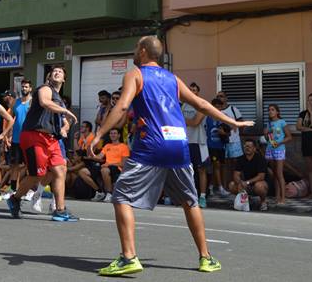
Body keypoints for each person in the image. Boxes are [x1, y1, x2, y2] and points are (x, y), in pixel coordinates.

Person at [91, 36, 251, 276]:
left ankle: (129, 257)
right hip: (178, 145)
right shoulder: (173, 79)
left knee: (121, 195)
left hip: (152, 145)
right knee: (190, 201)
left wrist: (99, 134)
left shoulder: (136, 74)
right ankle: (206, 258)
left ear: (143, 52)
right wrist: (232, 121)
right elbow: (201, 104)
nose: (135, 51)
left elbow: (123, 106)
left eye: (137, 47)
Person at [6, 65, 79, 222]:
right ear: (49, 76)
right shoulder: (45, 89)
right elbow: (45, 102)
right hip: (34, 135)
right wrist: (65, 112)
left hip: (51, 139)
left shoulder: (59, 100)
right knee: (36, 175)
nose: (57, 72)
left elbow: (63, 121)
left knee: (60, 170)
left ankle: (60, 210)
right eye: (54, 71)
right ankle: (15, 198)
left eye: (60, 71)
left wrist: (65, 126)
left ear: (64, 79)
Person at [182, 82, 209, 208]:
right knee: (187, 170)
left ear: (198, 92)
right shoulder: (184, 105)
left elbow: (195, 122)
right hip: (186, 141)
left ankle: (202, 196)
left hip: (199, 142)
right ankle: (190, 195)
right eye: (190, 89)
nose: (192, 91)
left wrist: (182, 120)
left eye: (194, 89)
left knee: (201, 169)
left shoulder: (201, 104)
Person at [6, 80, 33, 196]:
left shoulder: (33, 102)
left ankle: (29, 191)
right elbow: (10, 119)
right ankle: (13, 190)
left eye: (26, 87)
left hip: (29, 140)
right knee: (14, 167)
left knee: (30, 167)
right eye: (22, 87)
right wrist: (7, 135)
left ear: (30, 89)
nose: (24, 89)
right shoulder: (16, 102)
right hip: (16, 140)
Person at [297, 93, 312, 198]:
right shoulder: (302, 114)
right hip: (306, 142)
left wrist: (311, 112)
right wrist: (311, 129)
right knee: (311, 169)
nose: (309, 102)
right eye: (308, 100)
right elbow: (298, 126)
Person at [264, 104, 289, 205]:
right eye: (269, 110)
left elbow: (289, 137)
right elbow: (268, 139)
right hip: (270, 148)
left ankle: (283, 198)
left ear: (277, 112)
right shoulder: (269, 124)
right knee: (274, 174)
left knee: (279, 174)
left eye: (273, 110)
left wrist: (279, 142)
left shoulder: (282, 122)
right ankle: (277, 196)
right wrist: (266, 134)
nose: (270, 112)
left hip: (279, 149)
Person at [97, 128, 130, 203]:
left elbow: (123, 164)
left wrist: (109, 164)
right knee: (86, 171)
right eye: (111, 133)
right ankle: (100, 192)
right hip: (107, 167)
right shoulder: (107, 146)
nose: (112, 135)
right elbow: (98, 157)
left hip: (117, 168)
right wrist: (91, 149)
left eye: (115, 133)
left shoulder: (124, 146)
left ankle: (109, 193)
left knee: (104, 170)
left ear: (119, 135)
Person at [216, 90, 244, 173]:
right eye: (217, 96)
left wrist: (239, 135)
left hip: (234, 141)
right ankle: (225, 185)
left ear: (226, 98)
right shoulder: (216, 111)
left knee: (236, 164)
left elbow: (241, 122)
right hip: (221, 142)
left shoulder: (233, 109)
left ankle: (236, 184)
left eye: (221, 96)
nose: (219, 98)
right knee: (223, 164)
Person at [204, 98, 227, 196]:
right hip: (211, 146)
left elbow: (228, 132)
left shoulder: (223, 117)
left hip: (220, 146)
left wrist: (224, 133)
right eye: (215, 106)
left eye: (219, 106)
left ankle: (211, 187)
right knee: (215, 165)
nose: (217, 108)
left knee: (218, 167)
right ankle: (220, 188)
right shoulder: (206, 117)